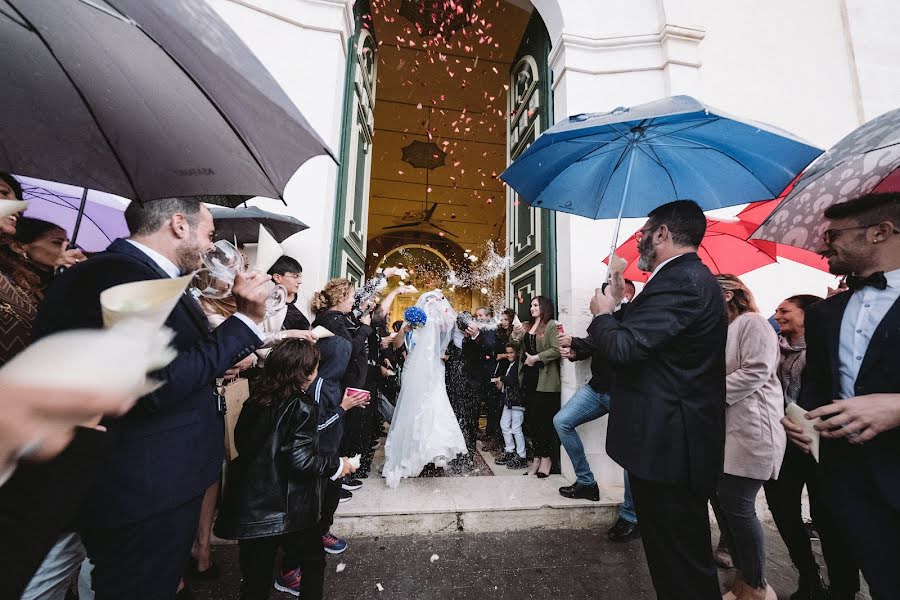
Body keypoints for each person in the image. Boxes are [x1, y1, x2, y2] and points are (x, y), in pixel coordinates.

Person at [19, 197, 270, 600]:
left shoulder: (141, 275)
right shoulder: (124, 275)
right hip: (143, 483)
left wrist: (213, 364)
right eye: (210, 234)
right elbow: (151, 385)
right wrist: (244, 321)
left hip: (136, 475)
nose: (213, 247)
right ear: (178, 225)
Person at [587, 200, 727, 599]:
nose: (640, 241)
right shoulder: (678, 279)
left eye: (644, 233)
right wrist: (623, 302)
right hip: (665, 442)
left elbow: (628, 349)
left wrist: (603, 314)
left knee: (681, 563)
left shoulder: (682, 280)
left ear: (663, 233)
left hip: (670, 445)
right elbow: (659, 343)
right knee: (671, 559)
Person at [783, 192, 900, 600]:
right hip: (848, 482)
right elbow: (819, 382)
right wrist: (802, 417)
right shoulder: (824, 314)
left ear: (880, 232)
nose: (822, 244)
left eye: (834, 234)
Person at [215, 339, 355, 600]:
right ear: (309, 373)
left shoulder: (254, 399)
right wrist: (337, 465)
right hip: (291, 510)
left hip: (252, 509)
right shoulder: (302, 406)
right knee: (313, 562)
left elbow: (244, 443)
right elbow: (300, 460)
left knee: (255, 583)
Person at [764, 294, 860, 600]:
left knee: (828, 519)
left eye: (785, 310)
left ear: (809, 316)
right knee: (783, 511)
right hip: (782, 442)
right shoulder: (771, 348)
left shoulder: (829, 349)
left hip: (823, 444)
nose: (777, 315)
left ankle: (843, 588)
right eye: (777, 310)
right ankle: (808, 577)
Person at [715, 274, 786, 600]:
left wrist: (708, 394)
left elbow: (757, 370)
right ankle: (744, 582)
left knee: (739, 507)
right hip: (731, 431)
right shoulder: (726, 329)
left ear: (728, 294)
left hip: (755, 430)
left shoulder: (753, 322)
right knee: (729, 506)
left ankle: (757, 586)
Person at [556, 280, 640, 543]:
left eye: (606, 291)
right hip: (597, 390)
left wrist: (603, 318)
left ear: (626, 294)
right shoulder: (607, 319)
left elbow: (621, 346)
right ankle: (586, 482)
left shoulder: (636, 315)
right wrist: (574, 347)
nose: (599, 296)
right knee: (562, 421)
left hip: (624, 396)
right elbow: (595, 343)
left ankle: (631, 516)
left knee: (630, 455)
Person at [382, 290, 468, 488]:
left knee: (436, 405)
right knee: (413, 408)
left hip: (434, 370)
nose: (429, 305)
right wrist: (404, 330)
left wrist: (442, 301)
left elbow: (452, 322)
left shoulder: (438, 323)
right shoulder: (409, 324)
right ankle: (413, 451)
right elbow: (396, 345)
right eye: (427, 302)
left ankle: (437, 450)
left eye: (432, 303)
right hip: (413, 369)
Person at [309, 278, 369, 559]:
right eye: (351, 296)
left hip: (338, 392)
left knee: (334, 456)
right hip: (329, 396)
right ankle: (317, 532)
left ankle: (321, 528)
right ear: (341, 297)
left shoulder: (339, 321)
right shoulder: (331, 323)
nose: (353, 300)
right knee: (326, 460)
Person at [518, 296, 561, 478]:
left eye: (536, 305)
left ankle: (546, 459)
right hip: (529, 378)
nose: (532, 308)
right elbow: (520, 349)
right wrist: (516, 336)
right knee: (531, 423)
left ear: (544, 307)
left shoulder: (551, 325)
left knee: (543, 422)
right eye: (531, 305)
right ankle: (536, 457)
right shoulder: (528, 327)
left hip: (545, 380)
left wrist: (536, 358)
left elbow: (557, 349)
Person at [461, 306, 501, 451]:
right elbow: (466, 351)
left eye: (481, 315)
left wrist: (477, 336)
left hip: (489, 375)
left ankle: (493, 438)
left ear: (488, 317)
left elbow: (489, 348)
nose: (478, 318)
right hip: (474, 377)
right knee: (474, 409)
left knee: (492, 409)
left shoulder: (491, 330)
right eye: (476, 315)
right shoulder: (473, 331)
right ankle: (471, 437)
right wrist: (469, 338)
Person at [10, 216, 86, 285]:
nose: (66, 248)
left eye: (68, 244)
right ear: (18, 247)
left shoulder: (65, 276)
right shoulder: (9, 281)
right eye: (57, 243)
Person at [492, 341, 528, 469]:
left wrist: (501, 378)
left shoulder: (518, 365)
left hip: (517, 401)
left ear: (517, 353)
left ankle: (521, 456)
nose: (509, 355)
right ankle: (510, 451)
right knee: (504, 425)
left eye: (511, 352)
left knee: (516, 428)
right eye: (507, 353)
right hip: (509, 401)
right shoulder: (511, 365)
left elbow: (514, 381)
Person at [268, 255, 312, 331]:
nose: (300, 281)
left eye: (300, 276)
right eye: (295, 276)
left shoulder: (306, 298)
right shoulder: (266, 303)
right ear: (277, 278)